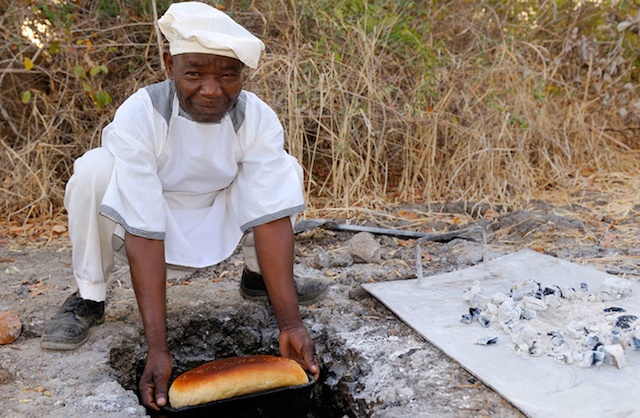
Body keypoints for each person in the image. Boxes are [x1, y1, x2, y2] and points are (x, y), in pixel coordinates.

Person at [40, 1, 327, 411]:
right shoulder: (142, 113)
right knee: (92, 171)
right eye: (194, 74)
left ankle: (258, 277)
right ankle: (90, 296)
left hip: (220, 214)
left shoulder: (257, 118)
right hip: (148, 223)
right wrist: (157, 347)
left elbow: (270, 213)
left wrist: (291, 324)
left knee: (285, 170)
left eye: (228, 76)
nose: (212, 90)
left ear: (241, 75)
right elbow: (141, 221)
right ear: (168, 64)